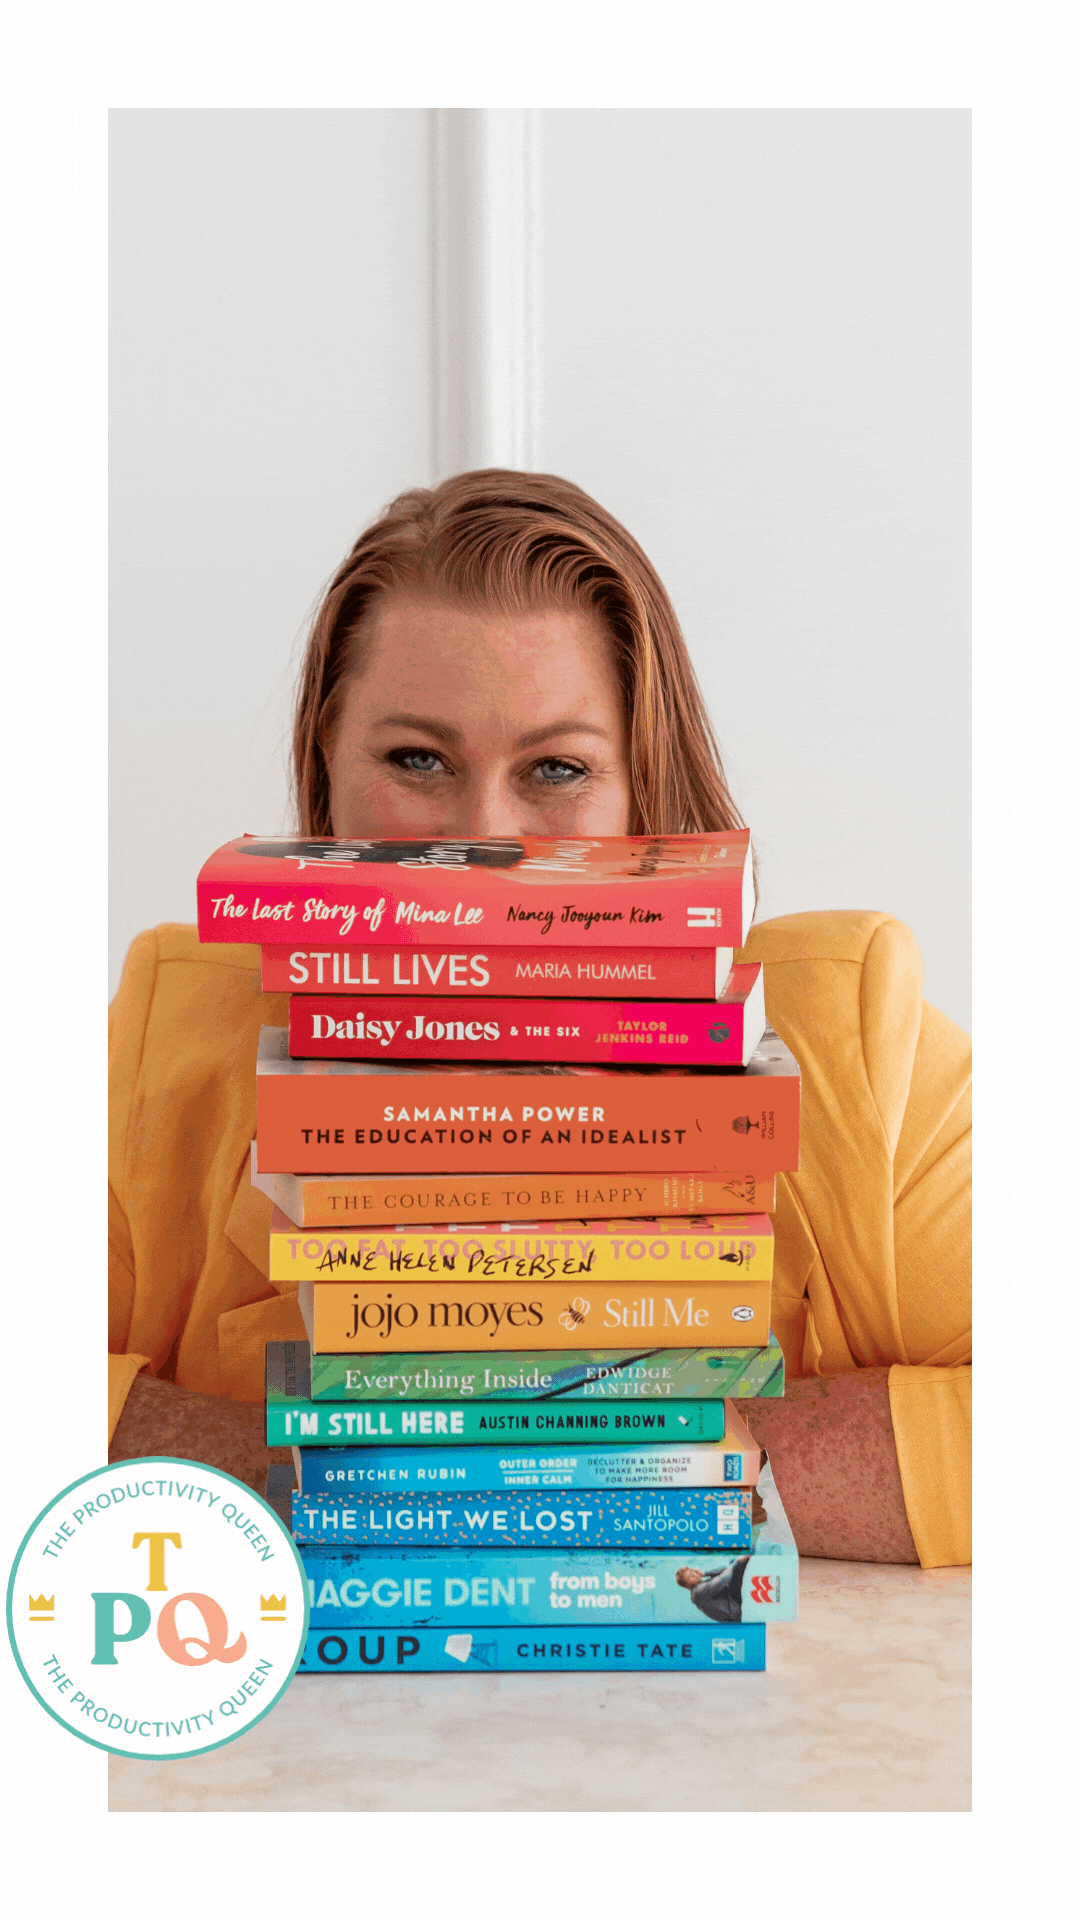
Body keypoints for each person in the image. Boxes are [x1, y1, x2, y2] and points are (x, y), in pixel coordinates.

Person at [109, 469, 971, 1568]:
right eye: (416, 761)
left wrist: (646, 1475)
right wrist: (338, 1481)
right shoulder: (164, 1047)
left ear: (644, 799)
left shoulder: (859, 1046)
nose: (486, 843)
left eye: (556, 769)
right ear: (322, 780)